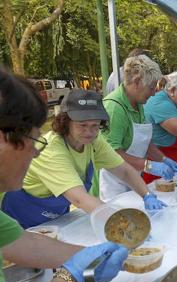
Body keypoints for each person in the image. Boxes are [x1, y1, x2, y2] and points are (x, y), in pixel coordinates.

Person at [0, 69, 127, 282]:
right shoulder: (54, 151)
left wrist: (88, 257)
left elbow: (24, 243)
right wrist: (71, 278)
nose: (36, 154)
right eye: (34, 141)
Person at [1, 89, 166, 228]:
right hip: (21, 218)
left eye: (95, 125)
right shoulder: (51, 149)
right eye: (82, 125)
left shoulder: (94, 140)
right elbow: (79, 199)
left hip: (57, 216)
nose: (90, 131)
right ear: (65, 122)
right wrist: (122, 224)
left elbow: (123, 171)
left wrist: (147, 195)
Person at [100, 55, 177, 201]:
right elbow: (111, 153)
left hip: (134, 180)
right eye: (151, 87)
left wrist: (163, 159)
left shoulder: (139, 104)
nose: (154, 92)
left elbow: (144, 141)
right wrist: (148, 165)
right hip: (115, 185)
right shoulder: (115, 108)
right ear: (136, 82)